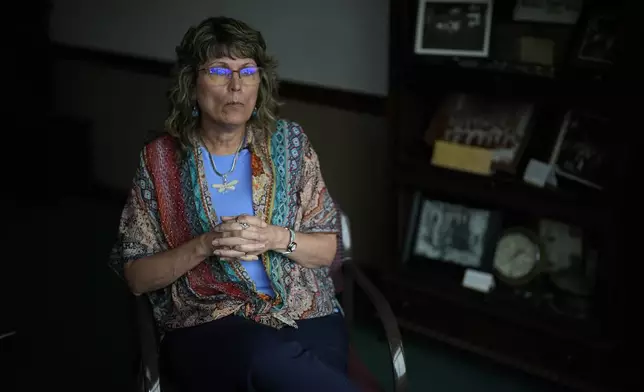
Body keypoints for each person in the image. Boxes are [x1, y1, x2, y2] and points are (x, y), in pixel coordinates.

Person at [109, 16, 358, 392]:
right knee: (269, 361)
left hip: (305, 308)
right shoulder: (160, 160)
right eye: (220, 70)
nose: (237, 85)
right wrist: (206, 244)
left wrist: (276, 237)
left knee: (307, 368)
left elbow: (326, 250)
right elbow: (137, 277)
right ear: (191, 83)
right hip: (209, 317)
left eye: (248, 71)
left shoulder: (290, 145)